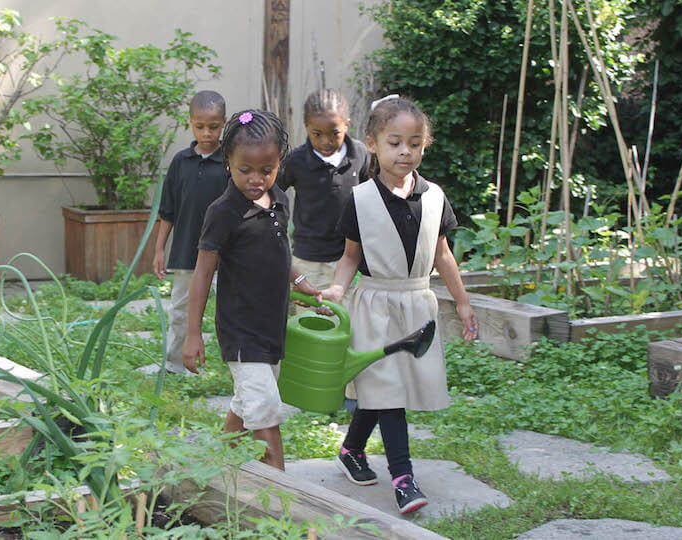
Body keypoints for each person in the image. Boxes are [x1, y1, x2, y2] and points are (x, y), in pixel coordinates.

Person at [321, 95, 478, 514]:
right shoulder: (361, 199)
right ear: (372, 143)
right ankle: (404, 478)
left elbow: (442, 254)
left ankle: (353, 448)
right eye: (395, 142)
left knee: (390, 386)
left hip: (417, 303)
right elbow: (351, 255)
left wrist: (462, 303)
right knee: (386, 390)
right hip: (374, 304)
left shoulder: (435, 196)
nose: (405, 151)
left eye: (414, 142)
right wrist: (337, 289)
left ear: (425, 145)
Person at [182, 109, 322, 471]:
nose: (257, 179)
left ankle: (212, 469)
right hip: (241, 331)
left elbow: (278, 254)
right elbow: (202, 272)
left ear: (279, 163)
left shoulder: (279, 201)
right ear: (228, 161)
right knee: (265, 410)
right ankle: (282, 498)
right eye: (246, 170)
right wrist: (192, 332)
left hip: (271, 327)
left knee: (247, 405)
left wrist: (300, 283)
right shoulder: (224, 211)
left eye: (267, 169)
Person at [153, 90, 228, 373]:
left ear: (224, 124)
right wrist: (160, 248)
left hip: (224, 256)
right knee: (180, 313)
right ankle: (174, 365)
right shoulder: (180, 163)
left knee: (229, 313)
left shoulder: (232, 164)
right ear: (190, 123)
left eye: (214, 126)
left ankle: (233, 366)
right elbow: (167, 211)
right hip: (185, 254)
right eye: (200, 126)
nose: (207, 133)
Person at [280, 89, 370, 296]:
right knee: (310, 321)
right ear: (307, 127)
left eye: (334, 133)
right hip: (308, 259)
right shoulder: (296, 160)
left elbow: (369, 193)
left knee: (346, 321)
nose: (325, 142)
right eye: (317, 134)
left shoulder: (361, 155)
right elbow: (272, 193)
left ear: (346, 125)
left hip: (349, 259)